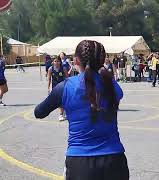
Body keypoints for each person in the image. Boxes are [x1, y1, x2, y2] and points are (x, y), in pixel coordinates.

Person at [34, 40, 129, 180]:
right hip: (114, 160)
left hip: (80, 161)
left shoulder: (66, 87)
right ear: (102, 60)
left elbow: (39, 112)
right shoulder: (111, 85)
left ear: (76, 60)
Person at [47, 57, 68, 121]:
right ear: (53, 62)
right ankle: (63, 111)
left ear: (60, 62)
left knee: (61, 101)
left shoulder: (63, 68)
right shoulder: (50, 69)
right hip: (55, 87)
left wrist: (68, 86)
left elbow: (67, 78)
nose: (56, 62)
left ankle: (61, 114)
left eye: (58, 61)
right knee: (56, 101)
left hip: (62, 87)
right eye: (55, 61)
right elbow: (49, 79)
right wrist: (48, 88)